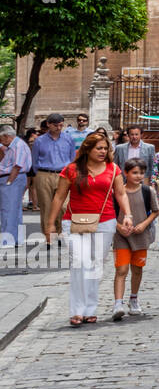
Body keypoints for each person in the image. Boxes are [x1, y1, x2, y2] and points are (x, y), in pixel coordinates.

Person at [47, 132, 131, 326]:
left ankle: (90, 309)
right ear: (87, 149)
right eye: (98, 148)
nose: (103, 152)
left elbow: (121, 194)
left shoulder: (113, 169)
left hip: (105, 221)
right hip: (73, 221)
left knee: (95, 265)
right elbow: (59, 197)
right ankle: (77, 311)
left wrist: (127, 215)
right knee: (79, 263)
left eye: (105, 148)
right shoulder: (71, 169)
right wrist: (51, 224)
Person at [111, 159, 159, 320]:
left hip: (140, 236)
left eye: (141, 173)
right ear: (125, 173)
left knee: (137, 269)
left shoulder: (148, 191)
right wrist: (119, 227)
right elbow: (110, 214)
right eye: (134, 173)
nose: (138, 176)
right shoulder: (117, 192)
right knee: (122, 270)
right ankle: (118, 303)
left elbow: (155, 211)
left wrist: (144, 224)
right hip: (121, 236)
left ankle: (134, 298)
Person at [31, 113, 78, 246]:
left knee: (64, 206)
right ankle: (49, 235)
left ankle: (60, 231)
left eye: (61, 125)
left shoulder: (68, 139)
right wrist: (38, 174)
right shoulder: (39, 141)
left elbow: (72, 158)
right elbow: (34, 160)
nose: (58, 127)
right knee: (46, 206)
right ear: (48, 125)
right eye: (56, 125)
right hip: (44, 173)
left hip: (64, 174)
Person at [0, 126, 33, 250]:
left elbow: (17, 166)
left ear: (6, 136)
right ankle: (17, 239)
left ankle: (7, 240)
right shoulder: (14, 145)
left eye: (1, 139)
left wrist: (9, 182)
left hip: (12, 178)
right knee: (14, 210)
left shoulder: (18, 145)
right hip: (14, 177)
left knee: (7, 210)